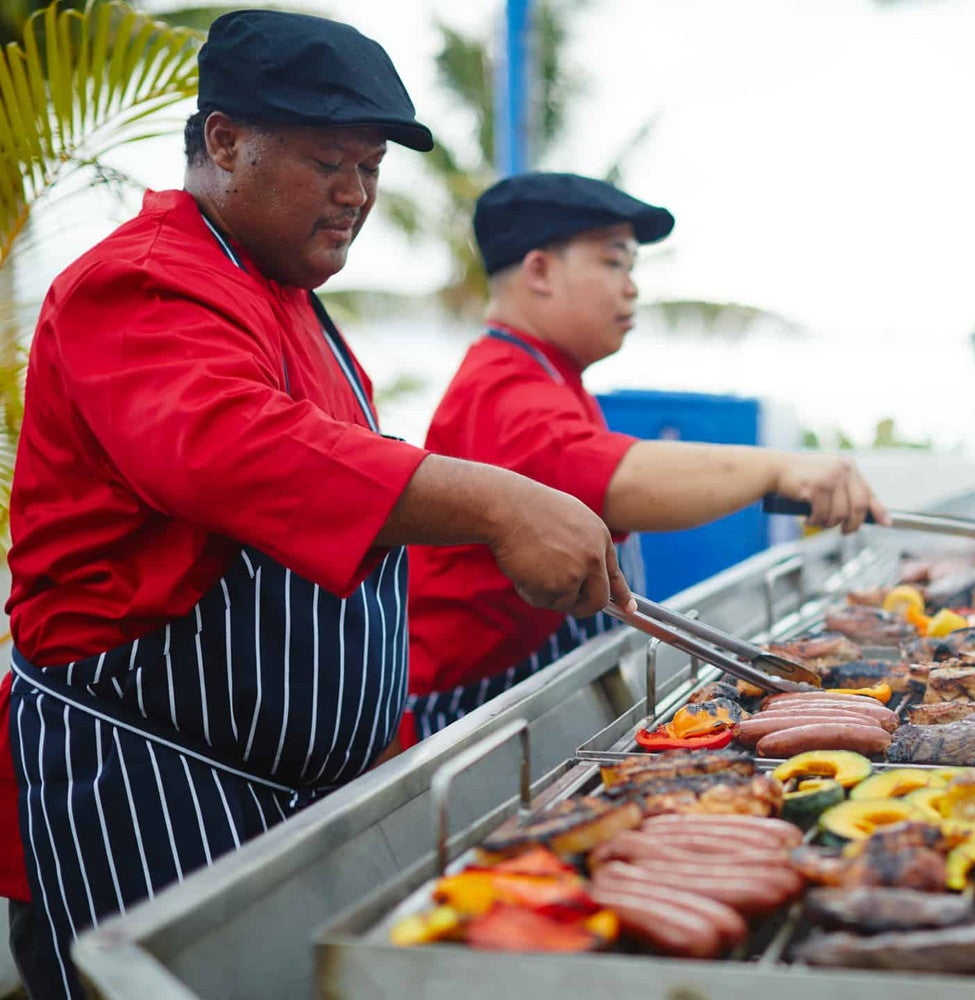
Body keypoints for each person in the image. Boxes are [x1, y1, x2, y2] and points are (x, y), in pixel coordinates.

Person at [0, 15, 629, 998]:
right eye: (329, 159)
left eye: (371, 166)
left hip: (292, 793)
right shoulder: (139, 284)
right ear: (222, 141)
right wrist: (503, 502)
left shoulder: (286, 291)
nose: (356, 194)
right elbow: (242, 454)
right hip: (142, 782)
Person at [404, 172, 888, 742]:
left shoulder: (551, 377)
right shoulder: (501, 391)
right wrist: (777, 469)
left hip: (534, 693)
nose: (632, 288)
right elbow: (617, 479)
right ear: (538, 271)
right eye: (615, 264)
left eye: (632, 269)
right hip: (476, 717)